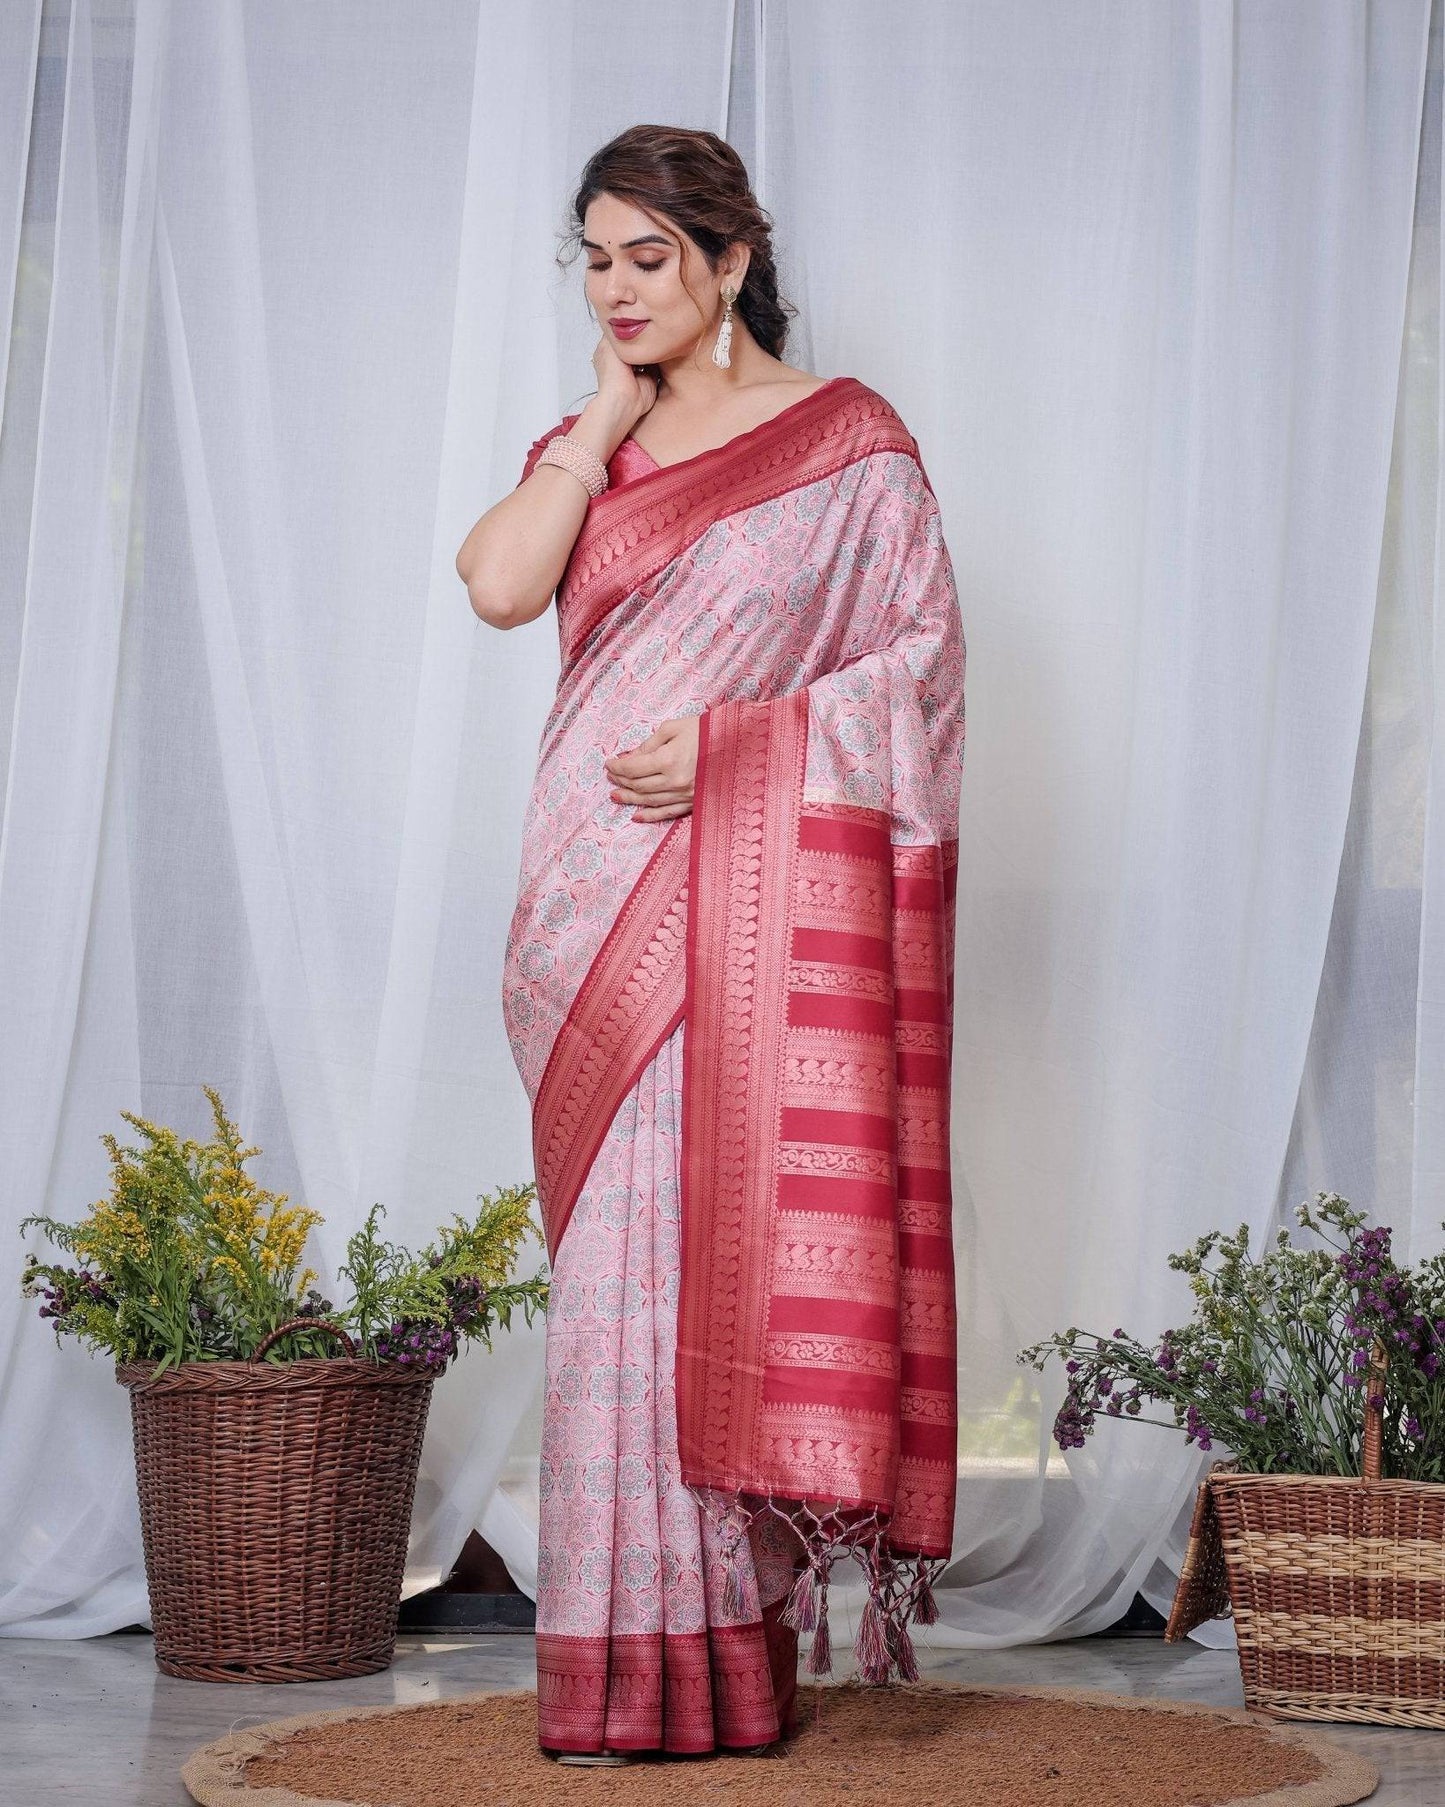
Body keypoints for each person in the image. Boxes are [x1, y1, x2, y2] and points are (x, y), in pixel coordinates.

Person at [456, 123, 965, 1763]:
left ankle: (717, 1674)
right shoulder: (590, 442)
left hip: (743, 898)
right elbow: (494, 585)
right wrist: (604, 417)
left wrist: (745, 746)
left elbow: (922, 674)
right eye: (593, 260)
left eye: (647, 257)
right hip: (585, 908)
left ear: (729, 260)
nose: (614, 287)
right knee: (614, 1282)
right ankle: (626, 1671)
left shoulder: (846, 444)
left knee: (711, 1265)